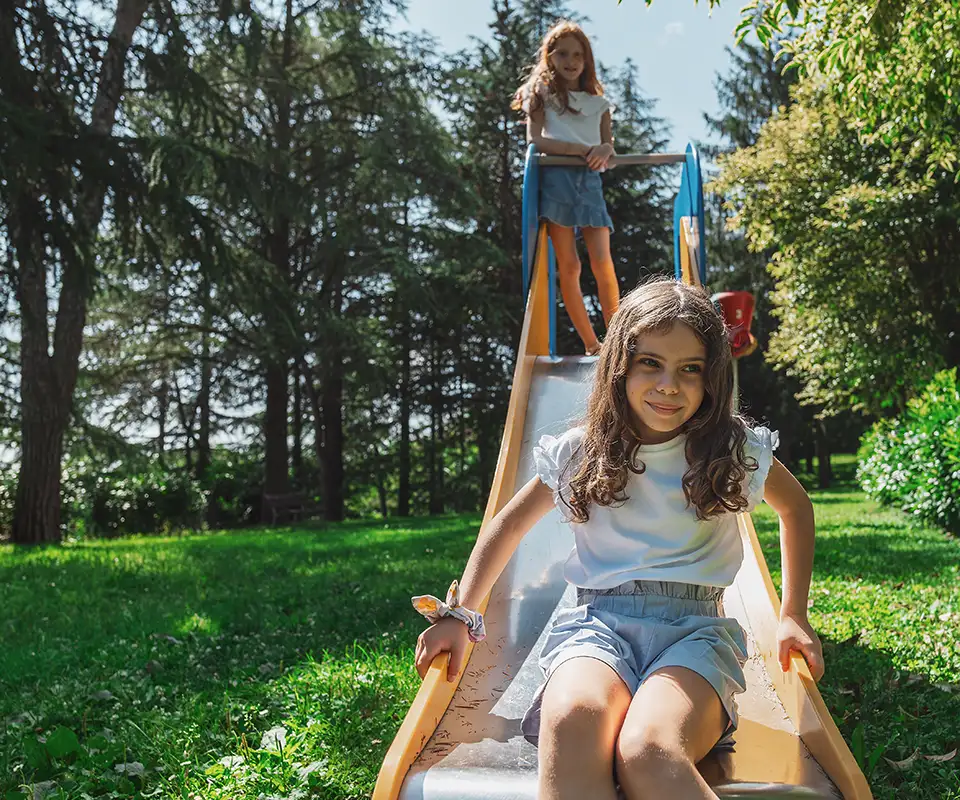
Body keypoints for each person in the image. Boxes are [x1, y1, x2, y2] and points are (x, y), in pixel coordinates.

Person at [412, 278, 825, 800]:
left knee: (648, 750)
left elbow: (797, 509)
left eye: (689, 370)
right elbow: (509, 524)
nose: (668, 386)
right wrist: (461, 614)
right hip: (597, 627)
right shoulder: (581, 450)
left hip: (694, 634)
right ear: (620, 366)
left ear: (712, 378)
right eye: (650, 363)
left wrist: (793, 613)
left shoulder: (729, 448)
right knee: (572, 725)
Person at [512, 20, 619, 356]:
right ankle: (592, 343)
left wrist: (604, 150)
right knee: (570, 266)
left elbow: (607, 150)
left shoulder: (598, 104)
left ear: (587, 60)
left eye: (578, 55)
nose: (571, 61)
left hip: (588, 182)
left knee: (603, 262)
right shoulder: (541, 95)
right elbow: (536, 140)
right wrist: (579, 151)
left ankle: (616, 336)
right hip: (556, 179)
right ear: (550, 57)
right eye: (563, 54)